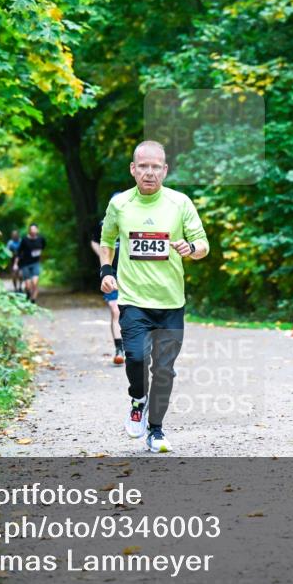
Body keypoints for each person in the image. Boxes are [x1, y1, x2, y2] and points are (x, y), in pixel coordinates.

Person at [98, 140, 208, 453]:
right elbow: (107, 239)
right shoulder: (119, 204)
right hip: (133, 299)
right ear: (133, 170)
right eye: (143, 166)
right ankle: (137, 399)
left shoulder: (180, 203)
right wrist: (106, 270)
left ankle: (156, 429)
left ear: (165, 170)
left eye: (156, 166)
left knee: (164, 369)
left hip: (171, 302)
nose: (150, 172)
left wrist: (192, 249)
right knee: (134, 356)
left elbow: (202, 243)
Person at [91, 194, 125, 365]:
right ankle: (119, 348)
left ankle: (137, 348)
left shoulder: (133, 222)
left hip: (133, 273)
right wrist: (103, 257)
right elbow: (94, 242)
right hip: (111, 272)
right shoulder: (103, 224)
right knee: (115, 309)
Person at [17, 224, 46, 304]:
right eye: (31, 230)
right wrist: (16, 264)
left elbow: (43, 247)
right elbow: (19, 252)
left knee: (35, 282)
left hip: (35, 263)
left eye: (34, 230)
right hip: (25, 264)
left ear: (37, 230)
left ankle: (33, 300)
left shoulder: (41, 239)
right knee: (28, 286)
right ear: (29, 231)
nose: (33, 231)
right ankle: (28, 293)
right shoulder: (25, 240)